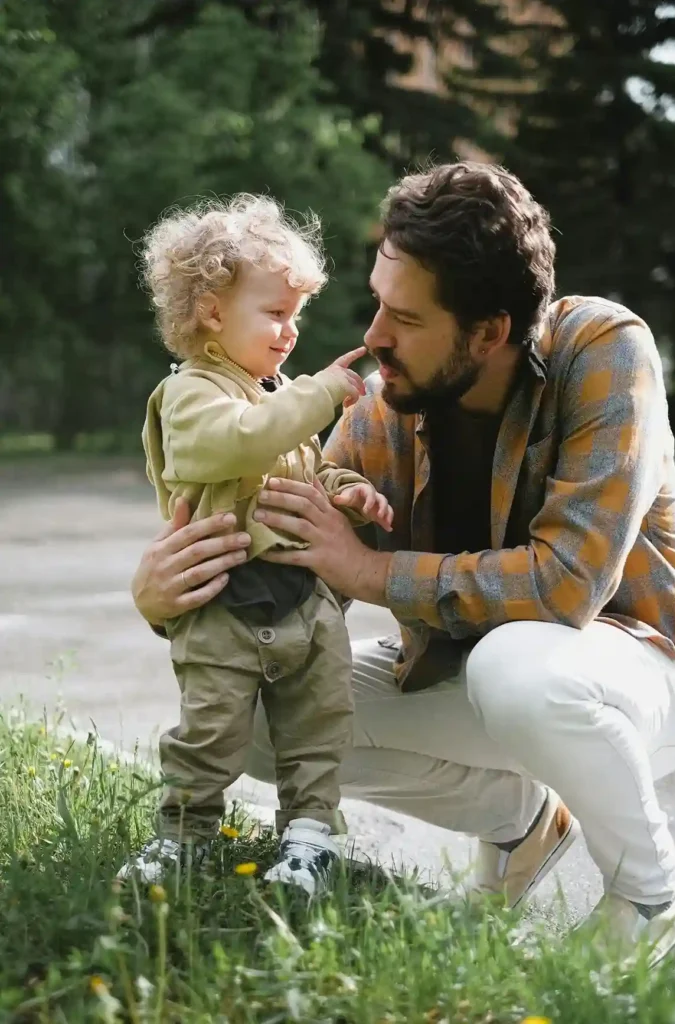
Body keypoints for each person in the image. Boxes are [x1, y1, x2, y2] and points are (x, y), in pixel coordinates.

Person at [132, 163, 675, 965]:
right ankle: (522, 824)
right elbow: (298, 559)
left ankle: (647, 894)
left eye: (404, 317)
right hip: (468, 673)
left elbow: (565, 585)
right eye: (376, 303)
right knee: (258, 719)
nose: (373, 335)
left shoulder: (600, 349)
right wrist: (162, 595)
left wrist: (367, 573)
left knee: (515, 667)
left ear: (487, 332)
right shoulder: (385, 400)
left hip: (633, 666)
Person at [119, 195, 393, 894]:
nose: (290, 331)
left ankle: (307, 840)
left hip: (301, 604)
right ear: (211, 311)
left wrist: (343, 488)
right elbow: (233, 444)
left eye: (295, 315)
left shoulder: (268, 395)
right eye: (275, 313)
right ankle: (184, 835)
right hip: (224, 607)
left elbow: (295, 459)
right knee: (208, 733)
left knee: (318, 729)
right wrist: (323, 393)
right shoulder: (193, 394)